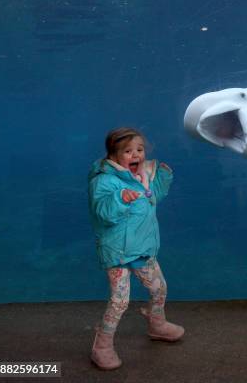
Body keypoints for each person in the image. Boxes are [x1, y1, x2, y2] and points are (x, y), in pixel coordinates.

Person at [87, 127, 184, 370]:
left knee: (159, 288)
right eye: (128, 151)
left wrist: (163, 178)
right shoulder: (103, 181)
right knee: (120, 301)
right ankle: (102, 346)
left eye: (139, 150)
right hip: (118, 252)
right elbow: (102, 213)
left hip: (142, 249)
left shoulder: (143, 177)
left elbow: (153, 198)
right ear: (113, 156)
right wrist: (121, 198)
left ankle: (157, 324)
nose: (136, 155)